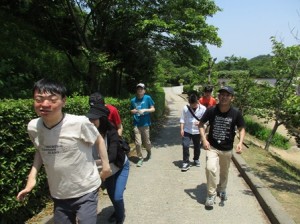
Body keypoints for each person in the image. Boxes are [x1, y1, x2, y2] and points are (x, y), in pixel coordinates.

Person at [16, 78, 112, 223]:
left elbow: (98, 139)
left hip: (86, 188)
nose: (45, 104)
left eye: (52, 100)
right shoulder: (33, 127)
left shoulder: (79, 122)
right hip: (59, 193)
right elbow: (40, 150)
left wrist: (106, 166)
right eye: (39, 99)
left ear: (64, 101)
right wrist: (32, 177)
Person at [199, 86, 246, 209]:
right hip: (212, 147)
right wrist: (204, 139)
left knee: (224, 172)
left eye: (227, 95)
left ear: (232, 98)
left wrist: (240, 142)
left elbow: (241, 128)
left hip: (227, 148)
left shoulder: (236, 113)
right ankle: (211, 194)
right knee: (210, 168)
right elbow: (201, 124)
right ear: (218, 97)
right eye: (222, 95)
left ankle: (222, 189)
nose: (224, 97)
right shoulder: (211, 110)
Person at [86, 104, 129, 224]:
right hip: (106, 171)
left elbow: (112, 156)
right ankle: (117, 211)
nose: (91, 121)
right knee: (112, 196)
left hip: (120, 167)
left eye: (94, 119)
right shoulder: (87, 132)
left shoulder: (112, 132)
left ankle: (120, 219)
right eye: (89, 119)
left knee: (117, 196)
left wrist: (91, 163)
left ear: (102, 119)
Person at [130, 83, 155, 167]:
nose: (140, 90)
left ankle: (149, 151)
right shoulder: (133, 100)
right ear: (137, 90)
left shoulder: (147, 98)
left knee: (147, 142)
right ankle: (140, 158)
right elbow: (131, 110)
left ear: (144, 90)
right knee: (138, 143)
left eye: (141, 89)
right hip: (136, 123)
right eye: (138, 89)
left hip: (145, 124)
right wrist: (133, 111)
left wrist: (145, 110)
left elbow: (153, 109)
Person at [180, 93, 206, 171]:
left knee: (197, 146)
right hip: (187, 130)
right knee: (185, 145)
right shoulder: (185, 108)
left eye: (194, 104)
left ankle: (196, 159)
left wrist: (201, 123)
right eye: (191, 104)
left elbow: (206, 121)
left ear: (197, 101)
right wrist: (181, 129)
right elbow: (182, 119)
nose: (193, 106)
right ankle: (185, 162)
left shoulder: (203, 109)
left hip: (198, 131)